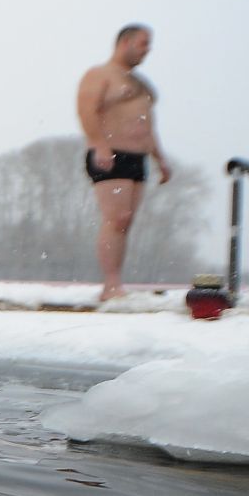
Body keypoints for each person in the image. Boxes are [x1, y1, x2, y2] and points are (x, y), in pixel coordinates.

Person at [76, 24, 171, 300]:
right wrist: (99, 144)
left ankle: (115, 282)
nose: (147, 50)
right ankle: (111, 283)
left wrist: (160, 159)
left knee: (126, 222)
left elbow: (147, 124)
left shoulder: (140, 84)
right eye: (143, 43)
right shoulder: (100, 74)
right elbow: (86, 110)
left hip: (137, 156)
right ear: (125, 42)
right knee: (116, 218)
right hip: (110, 153)